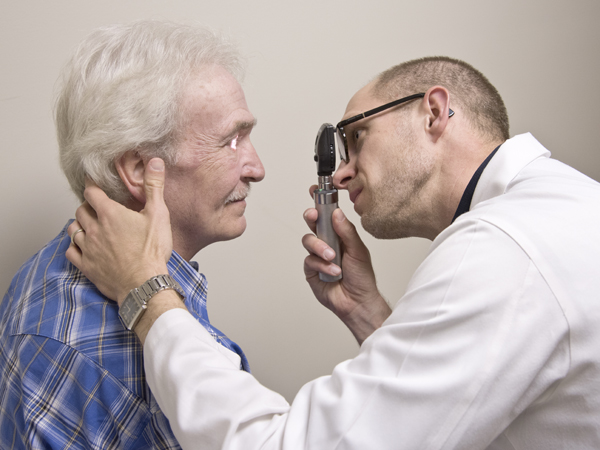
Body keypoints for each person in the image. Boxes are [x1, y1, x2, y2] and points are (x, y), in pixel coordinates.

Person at [68, 56, 600, 449]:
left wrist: (148, 292)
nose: (341, 174)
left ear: (433, 112)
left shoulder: (503, 251)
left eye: (357, 136)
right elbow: (469, 406)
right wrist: (370, 315)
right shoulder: (557, 210)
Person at [0, 20, 265, 449]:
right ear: (140, 169)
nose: (257, 168)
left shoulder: (49, 268)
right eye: (230, 142)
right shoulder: (90, 350)